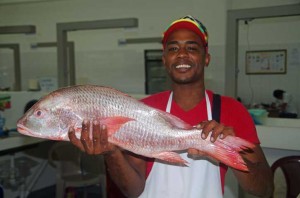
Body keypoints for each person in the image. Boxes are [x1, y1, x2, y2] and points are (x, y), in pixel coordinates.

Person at [68, 15, 274, 197]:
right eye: (173, 48)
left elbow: (265, 189)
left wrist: (227, 152)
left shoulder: (231, 110)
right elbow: (133, 190)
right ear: (165, 60)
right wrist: (111, 153)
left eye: (192, 48)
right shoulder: (142, 110)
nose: (182, 54)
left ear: (207, 58)